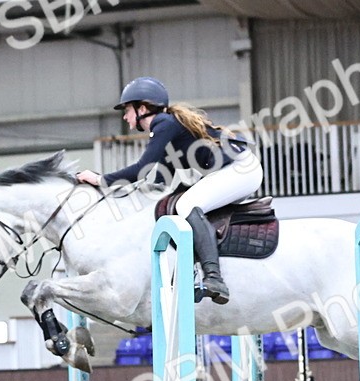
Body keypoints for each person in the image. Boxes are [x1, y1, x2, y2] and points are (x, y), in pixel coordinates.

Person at [76, 77, 263, 305]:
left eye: (127, 110)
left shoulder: (164, 124)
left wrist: (100, 179)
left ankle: (215, 278)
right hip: (238, 169)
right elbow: (158, 180)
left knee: (186, 205)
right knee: (180, 203)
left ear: (142, 108)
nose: (125, 117)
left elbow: (140, 170)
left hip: (240, 169)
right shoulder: (169, 128)